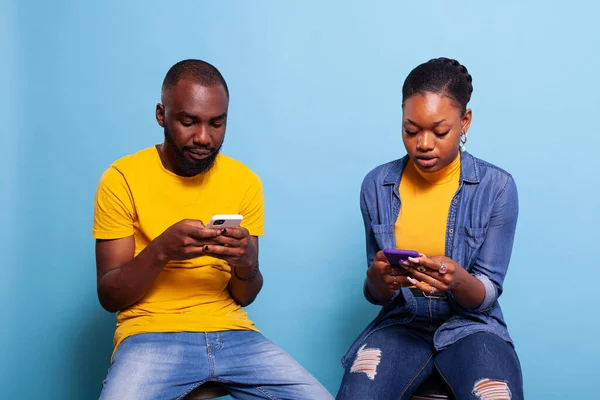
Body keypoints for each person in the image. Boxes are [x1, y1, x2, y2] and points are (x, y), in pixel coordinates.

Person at [93, 59, 333, 400]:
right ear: (162, 115)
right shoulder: (121, 179)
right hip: (151, 334)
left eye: (216, 124)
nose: (203, 137)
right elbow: (110, 296)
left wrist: (247, 261)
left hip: (233, 334)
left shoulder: (244, 181)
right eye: (188, 122)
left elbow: (245, 295)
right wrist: (162, 250)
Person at [336, 58, 524, 400]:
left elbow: (488, 291)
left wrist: (457, 280)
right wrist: (376, 282)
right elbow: (377, 291)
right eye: (411, 129)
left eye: (440, 131)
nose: (423, 143)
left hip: (472, 327)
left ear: (464, 121)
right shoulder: (377, 185)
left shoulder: (497, 187)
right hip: (402, 322)